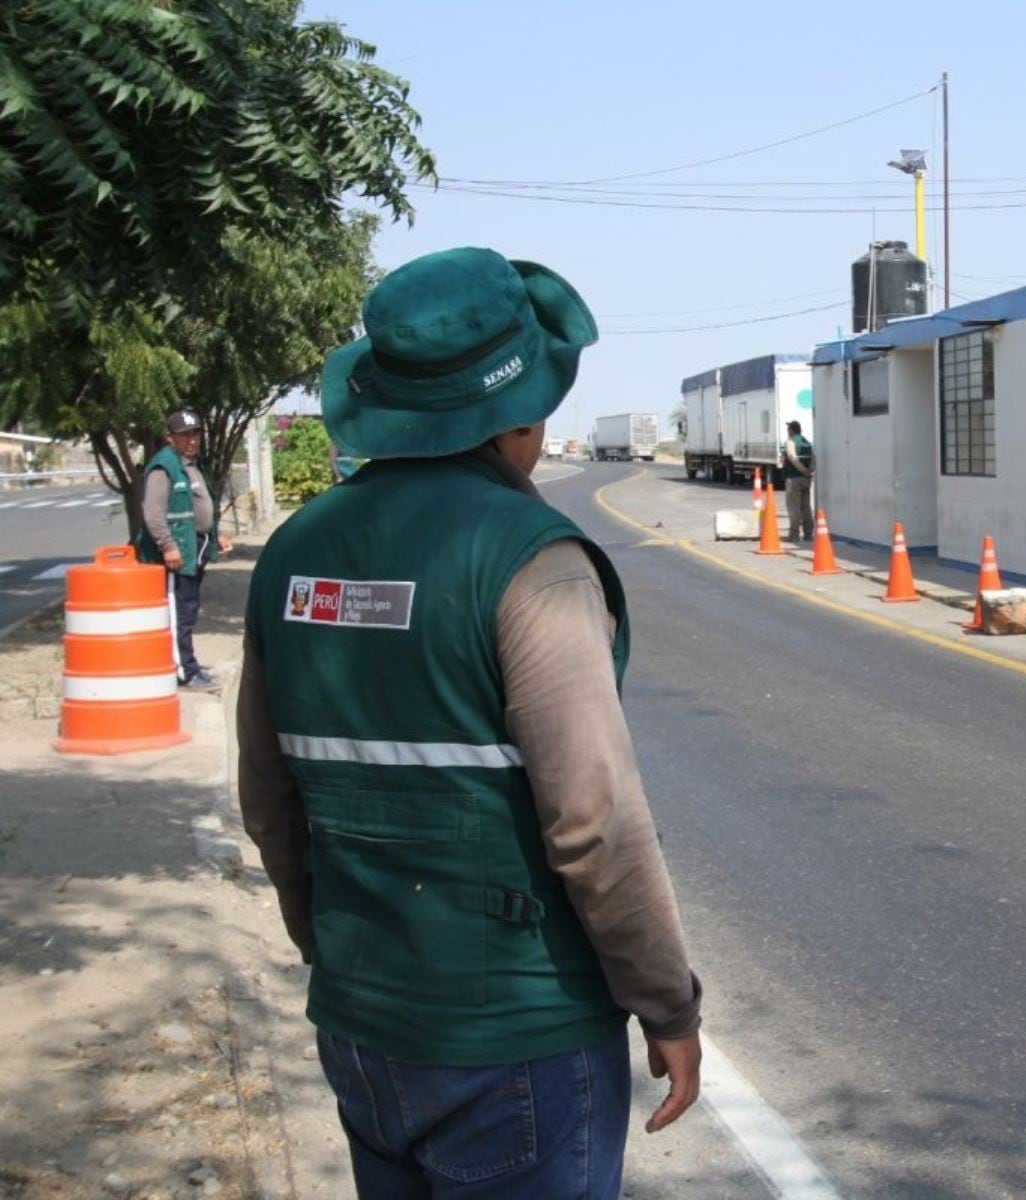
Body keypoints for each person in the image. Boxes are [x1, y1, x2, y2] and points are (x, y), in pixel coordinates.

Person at [236, 248, 703, 1199]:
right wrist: (667, 1005)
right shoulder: (531, 561)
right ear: (522, 415)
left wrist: (334, 950)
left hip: (364, 1028)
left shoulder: (294, 553)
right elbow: (596, 824)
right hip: (518, 1046)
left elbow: (266, 794)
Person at [136, 408, 231, 689]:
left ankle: (187, 665)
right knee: (179, 612)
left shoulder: (188, 465)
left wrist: (217, 535)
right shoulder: (163, 467)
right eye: (184, 435)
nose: (192, 440)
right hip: (177, 553)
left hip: (194, 548)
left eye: (195, 434)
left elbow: (196, 507)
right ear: (170, 438)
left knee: (188, 608)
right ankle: (185, 672)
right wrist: (168, 546)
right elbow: (153, 513)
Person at [781, 419, 815, 543]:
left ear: (792, 430)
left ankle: (794, 535)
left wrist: (802, 470)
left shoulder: (790, 442)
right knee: (806, 507)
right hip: (806, 480)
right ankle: (808, 534)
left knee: (794, 507)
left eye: (788, 429)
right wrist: (810, 470)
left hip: (794, 478)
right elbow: (813, 458)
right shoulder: (806, 442)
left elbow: (791, 456)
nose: (787, 431)